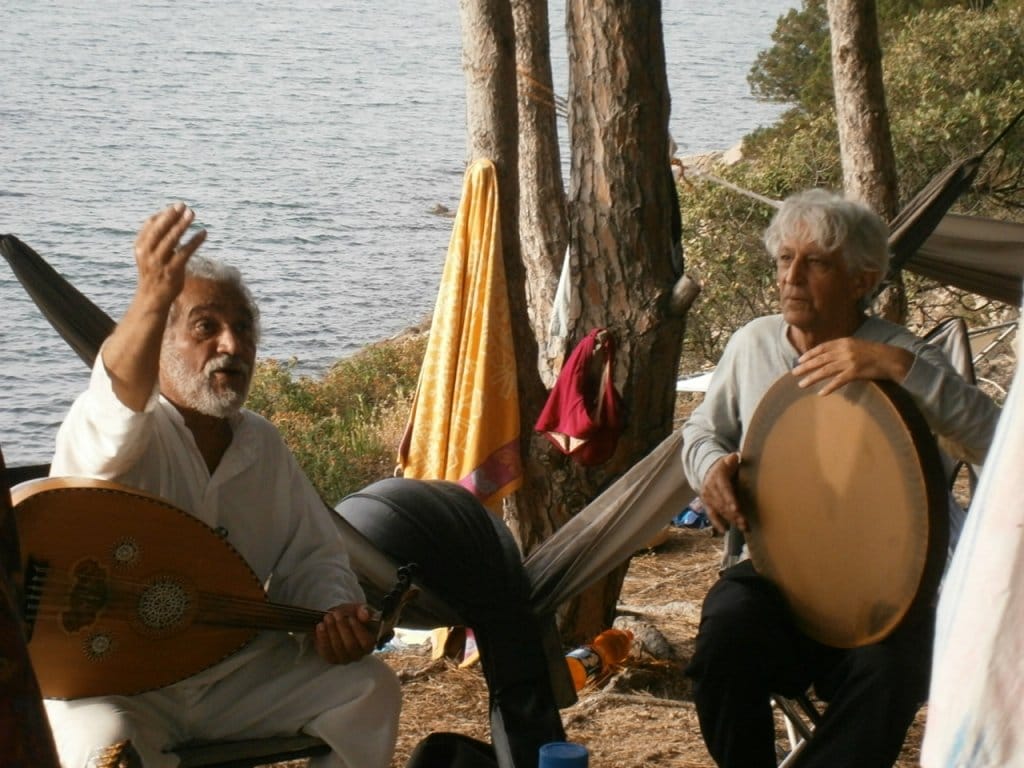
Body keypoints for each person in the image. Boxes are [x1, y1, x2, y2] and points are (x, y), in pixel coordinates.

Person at [43, 203, 401, 768]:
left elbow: (312, 558)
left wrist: (333, 614)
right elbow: (115, 401)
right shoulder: (121, 430)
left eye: (243, 329)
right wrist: (151, 298)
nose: (231, 346)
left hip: (229, 676)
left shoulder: (262, 447)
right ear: (161, 342)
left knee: (368, 691)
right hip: (116, 681)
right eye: (206, 327)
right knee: (100, 745)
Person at [680, 188, 1000, 768]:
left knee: (891, 673)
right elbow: (702, 432)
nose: (792, 277)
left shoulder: (900, 355)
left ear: (862, 280)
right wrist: (711, 470)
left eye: (817, 262)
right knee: (725, 632)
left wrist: (899, 368)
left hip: (889, 591)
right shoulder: (753, 344)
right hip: (782, 577)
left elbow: (998, 444)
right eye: (784, 259)